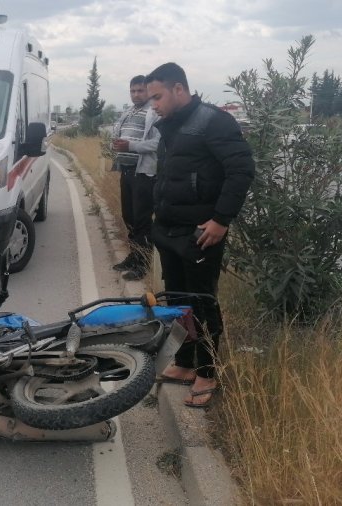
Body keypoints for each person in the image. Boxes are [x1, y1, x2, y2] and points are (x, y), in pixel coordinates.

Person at [144, 63, 255, 408]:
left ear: (180, 89)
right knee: (178, 302)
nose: (153, 105)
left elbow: (241, 169)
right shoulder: (170, 126)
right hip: (170, 230)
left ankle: (208, 371)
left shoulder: (213, 121)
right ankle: (185, 362)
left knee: (202, 302)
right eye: (151, 99)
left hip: (200, 234)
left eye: (158, 96)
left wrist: (221, 219)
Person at [110, 75, 160, 280]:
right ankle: (134, 255)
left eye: (140, 90)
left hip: (144, 174)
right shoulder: (129, 112)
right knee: (129, 217)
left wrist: (130, 146)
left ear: (148, 91)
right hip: (127, 170)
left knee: (142, 220)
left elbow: (158, 143)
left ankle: (143, 263)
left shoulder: (154, 112)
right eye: (133, 91)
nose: (136, 94)